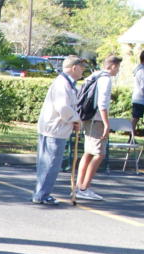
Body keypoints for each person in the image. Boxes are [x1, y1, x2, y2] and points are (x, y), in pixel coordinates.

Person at [32, 55, 86, 206]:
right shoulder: (63, 84)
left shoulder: (66, 83)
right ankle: (42, 194)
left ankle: (40, 193)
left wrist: (73, 119)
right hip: (55, 129)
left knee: (46, 163)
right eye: (81, 68)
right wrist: (75, 119)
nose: (83, 71)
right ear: (74, 68)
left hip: (53, 127)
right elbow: (63, 108)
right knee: (50, 163)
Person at [75, 55, 121, 202]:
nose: (118, 70)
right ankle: (84, 188)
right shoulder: (106, 79)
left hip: (87, 118)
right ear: (113, 66)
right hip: (96, 120)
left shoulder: (93, 76)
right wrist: (106, 123)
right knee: (99, 153)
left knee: (88, 152)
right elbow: (102, 103)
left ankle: (79, 185)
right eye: (118, 67)